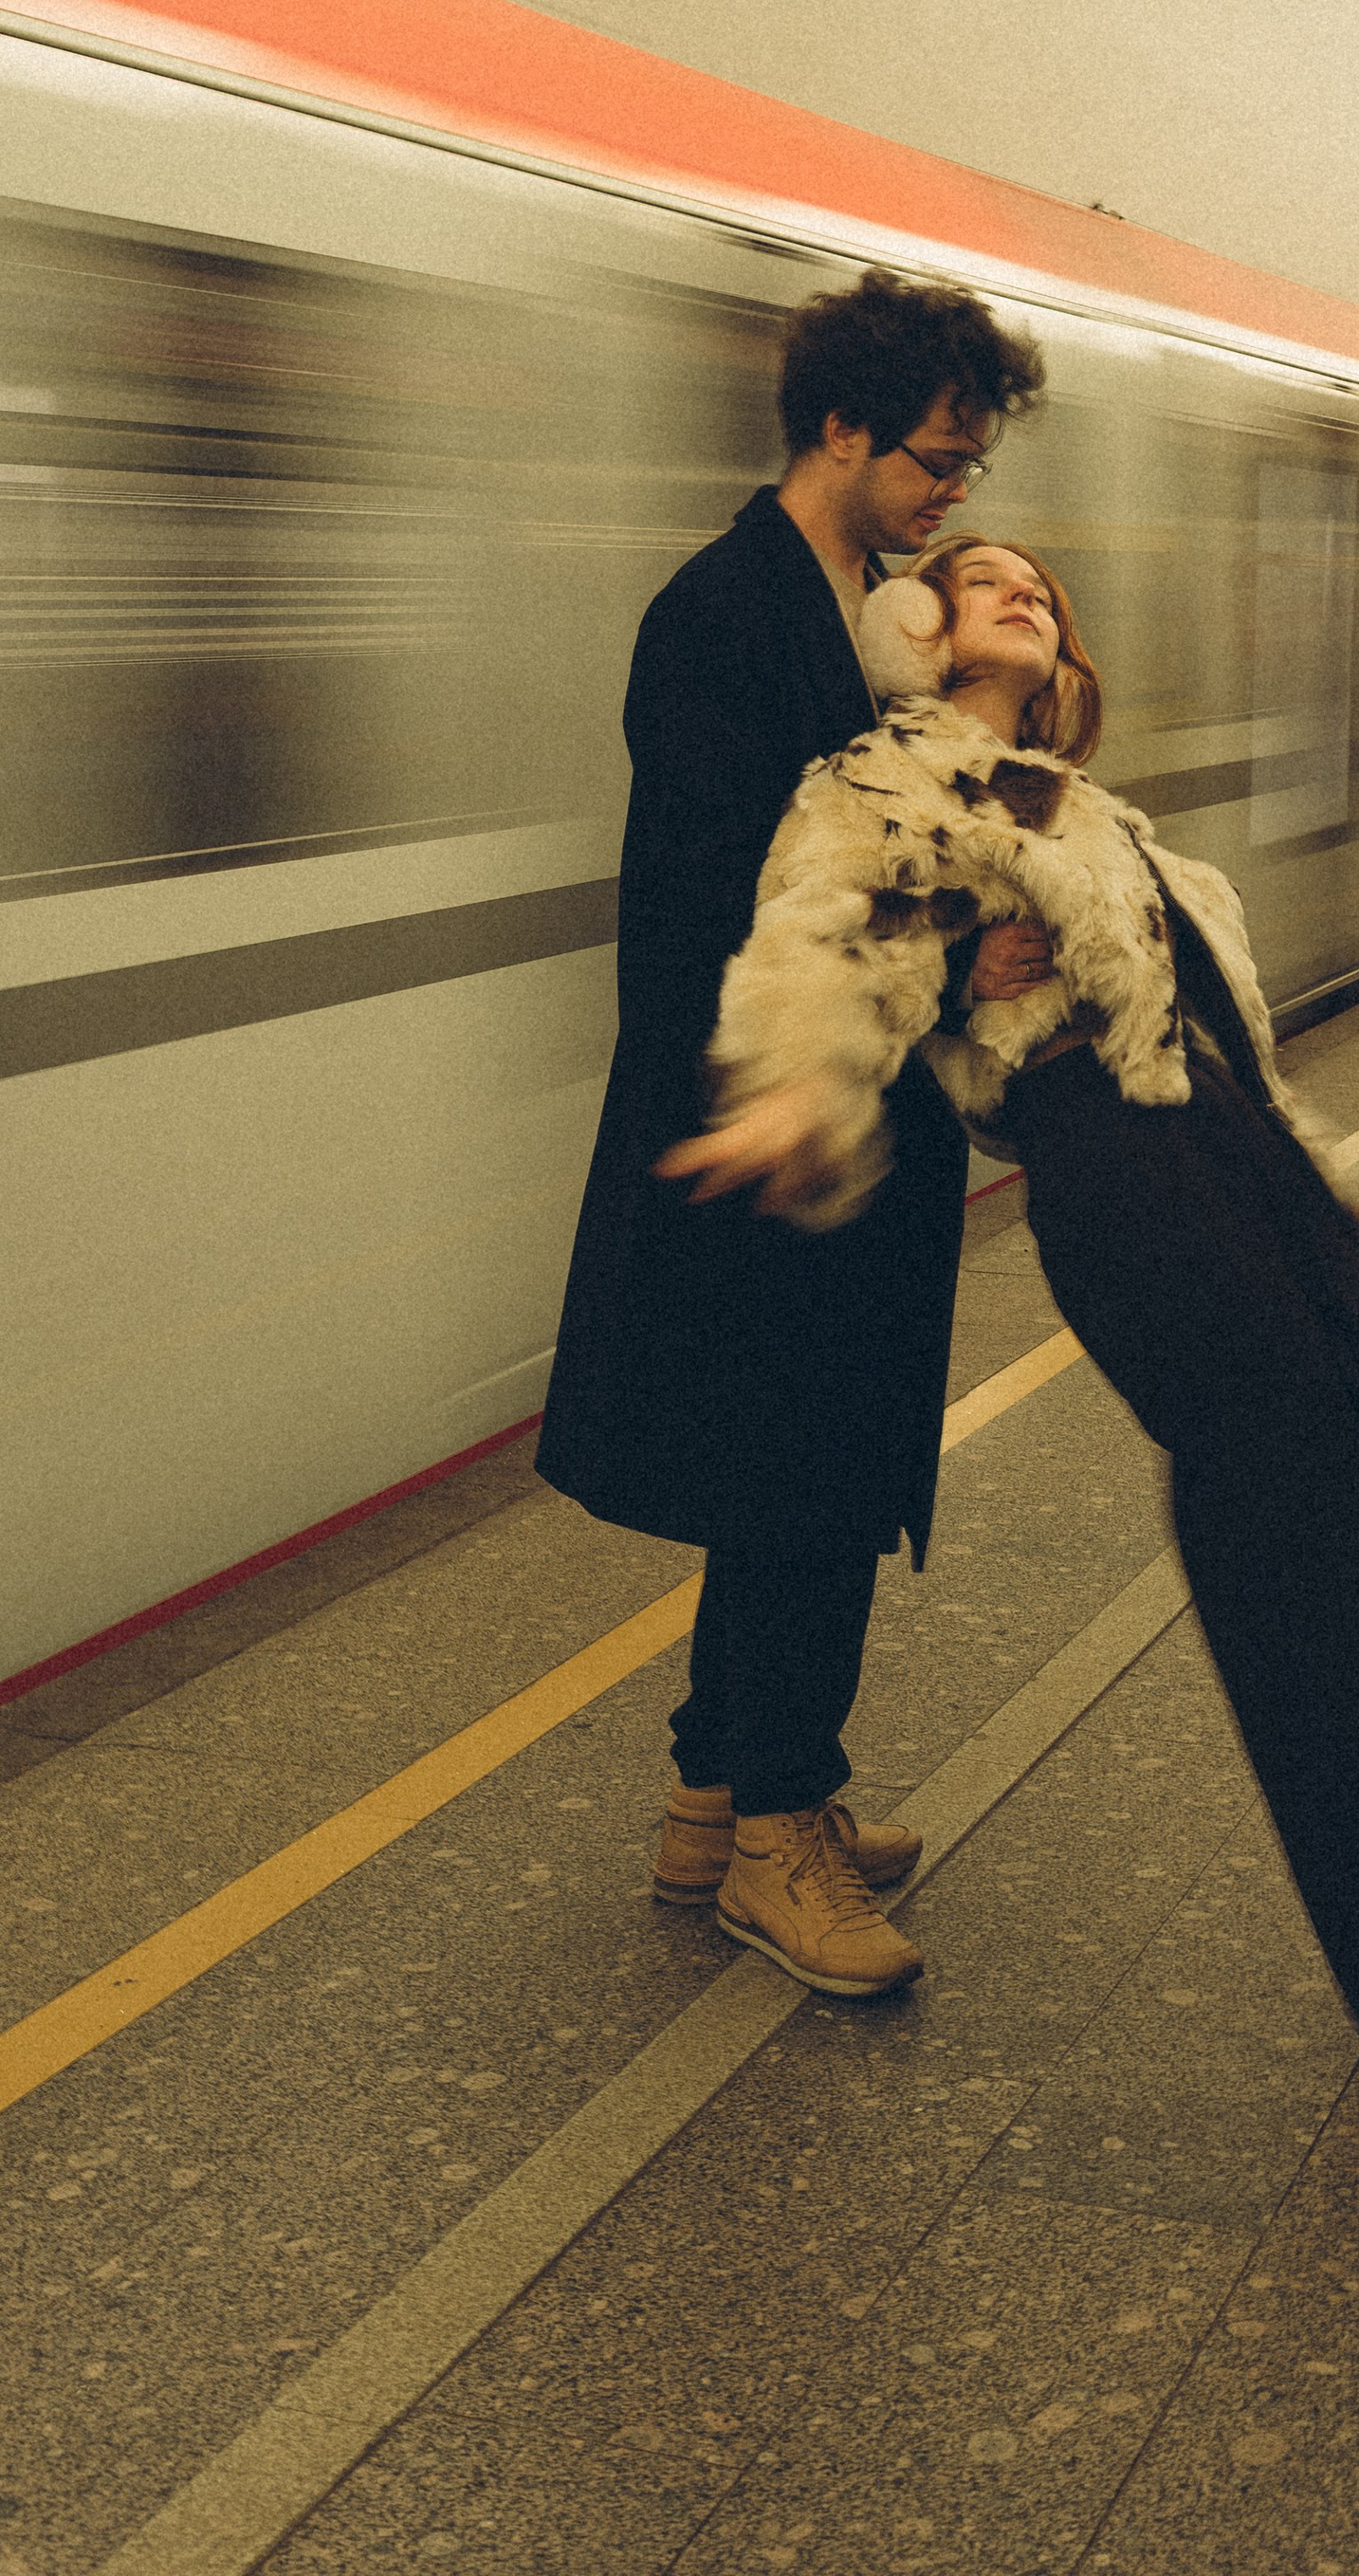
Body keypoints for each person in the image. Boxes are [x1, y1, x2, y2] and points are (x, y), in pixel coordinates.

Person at [660, 535, 1359, 2096]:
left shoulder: (1083, 809)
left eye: (1039, 586)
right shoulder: (882, 782)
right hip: (1114, 1168)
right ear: (911, 627)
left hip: (1235, 1157)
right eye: (979, 578)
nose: (1021, 591)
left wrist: (1315, 1180)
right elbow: (822, 940)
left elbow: (1213, 1022)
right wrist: (793, 1091)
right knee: (1307, 1550)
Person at [536, 270, 1047, 2002]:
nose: (954, 494)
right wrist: (864, 1029)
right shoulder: (721, 615)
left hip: (837, 1109)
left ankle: (717, 1799)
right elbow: (725, 896)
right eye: (936, 460)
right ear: (840, 427)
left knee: (793, 1479)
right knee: (809, 1486)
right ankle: (779, 1844)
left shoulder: (860, 605)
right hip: (774, 1120)